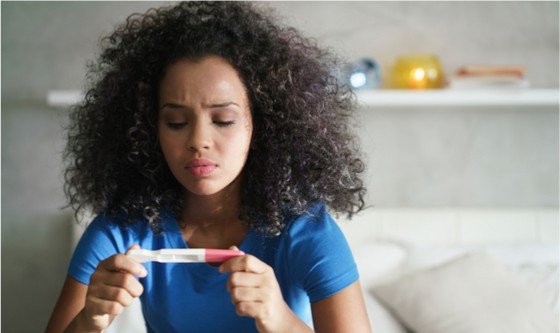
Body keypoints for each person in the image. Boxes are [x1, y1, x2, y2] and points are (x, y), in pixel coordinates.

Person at [46, 2, 371, 332]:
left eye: (224, 120)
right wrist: (89, 320)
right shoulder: (121, 229)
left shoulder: (307, 230)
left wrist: (279, 318)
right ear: (149, 132)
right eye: (176, 122)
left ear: (261, 128)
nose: (198, 140)